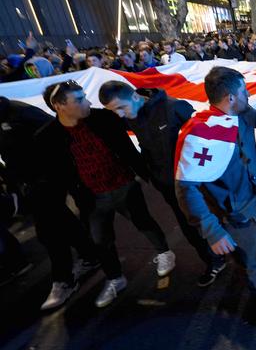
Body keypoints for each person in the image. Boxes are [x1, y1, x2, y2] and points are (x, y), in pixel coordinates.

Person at [175, 66, 256, 326]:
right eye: (244, 91)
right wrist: (212, 231)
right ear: (230, 98)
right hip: (237, 216)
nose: (248, 95)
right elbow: (185, 188)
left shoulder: (243, 113)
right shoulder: (198, 135)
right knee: (249, 263)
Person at [37, 80, 175, 308]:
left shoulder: (104, 118)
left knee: (143, 221)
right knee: (101, 241)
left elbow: (128, 148)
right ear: (59, 106)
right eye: (79, 100)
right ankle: (115, 279)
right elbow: (56, 174)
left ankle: (165, 253)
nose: (88, 102)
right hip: (91, 198)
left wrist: (145, 174)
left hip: (124, 186)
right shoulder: (48, 137)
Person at [99, 82, 228, 287]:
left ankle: (240, 256)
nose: (120, 116)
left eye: (120, 108)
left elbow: (207, 136)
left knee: (216, 216)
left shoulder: (174, 107)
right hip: (167, 184)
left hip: (196, 181)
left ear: (134, 97)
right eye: (114, 111)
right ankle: (214, 261)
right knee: (189, 226)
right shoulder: (130, 114)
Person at [0, 97, 100, 306]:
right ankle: (90, 255)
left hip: (48, 178)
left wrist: (57, 175)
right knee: (62, 220)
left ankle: (63, 280)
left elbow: (60, 137)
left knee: (48, 231)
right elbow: (7, 154)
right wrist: (14, 185)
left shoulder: (23, 113)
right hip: (27, 182)